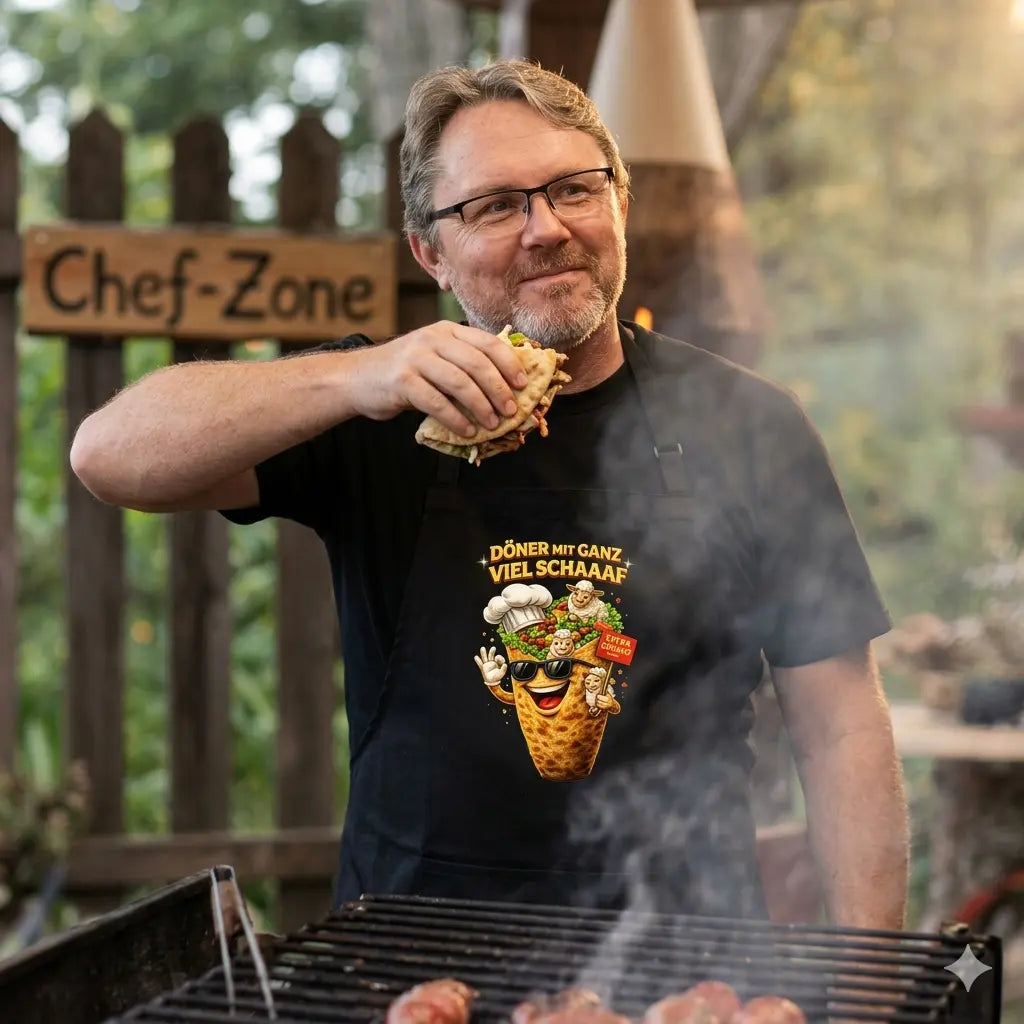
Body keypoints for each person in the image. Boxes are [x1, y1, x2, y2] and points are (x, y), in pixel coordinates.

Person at [69, 60, 908, 926]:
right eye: (495, 206)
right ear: (430, 252)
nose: (545, 228)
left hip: (682, 960)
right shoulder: (378, 407)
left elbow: (840, 728)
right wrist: (359, 375)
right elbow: (109, 455)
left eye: (573, 190)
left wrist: (871, 992)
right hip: (410, 954)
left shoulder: (754, 426)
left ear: (619, 203)